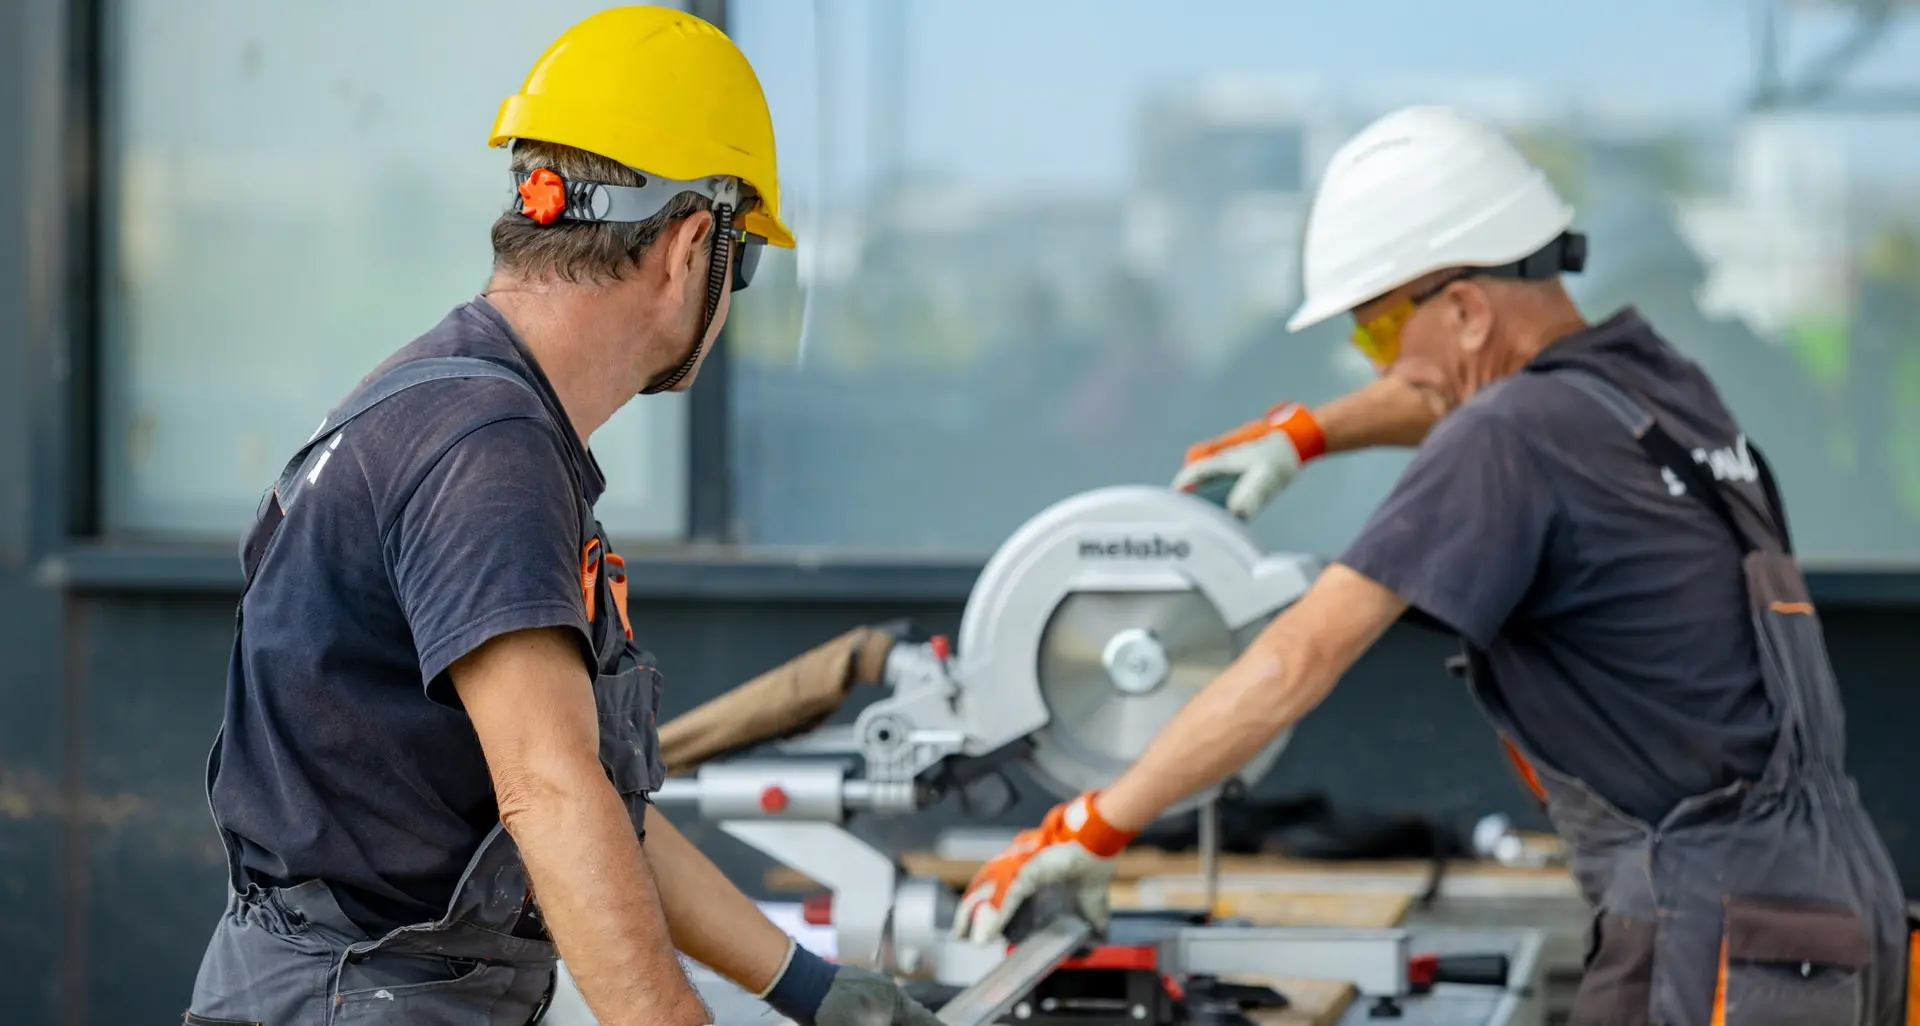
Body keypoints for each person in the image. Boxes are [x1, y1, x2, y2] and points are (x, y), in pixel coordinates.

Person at [955, 105, 1913, 1026]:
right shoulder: (1651, 386)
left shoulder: (1509, 439)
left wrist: (1095, 824)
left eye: (1374, 332)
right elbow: (1459, 396)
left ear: (1461, 305)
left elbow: (1298, 661)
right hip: (1835, 912)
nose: (1374, 369)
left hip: (1715, 941)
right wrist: (1310, 432)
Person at [183, 8, 939, 1026]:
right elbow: (550, 795)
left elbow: (586, 796)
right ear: (686, 250)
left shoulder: (456, 411)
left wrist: (809, 987)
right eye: (742, 261)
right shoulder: (485, 450)